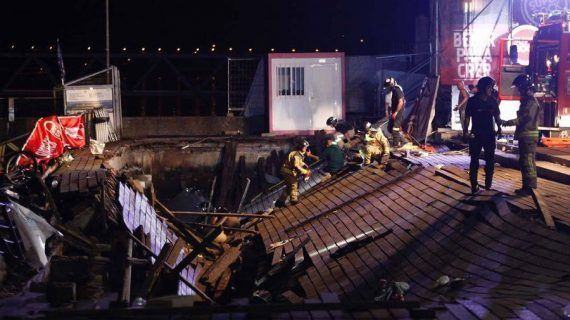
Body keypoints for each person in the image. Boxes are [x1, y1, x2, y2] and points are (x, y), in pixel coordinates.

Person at [501, 74, 540, 195]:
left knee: (527, 161)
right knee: (524, 161)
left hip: (528, 137)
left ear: (524, 87)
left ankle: (530, 187)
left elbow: (525, 117)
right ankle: (527, 186)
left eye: (519, 88)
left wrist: (509, 122)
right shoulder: (527, 101)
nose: (518, 91)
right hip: (525, 136)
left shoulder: (530, 101)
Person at [463, 76, 502, 194]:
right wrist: (465, 131)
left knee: (490, 160)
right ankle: (474, 186)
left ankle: (488, 186)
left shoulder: (492, 101)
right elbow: (467, 118)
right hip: (476, 135)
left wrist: (500, 128)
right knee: (474, 160)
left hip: (489, 135)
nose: (491, 89)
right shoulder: (472, 101)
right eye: (489, 87)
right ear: (483, 88)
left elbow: (497, 117)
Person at [275, 138, 311, 207]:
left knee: (289, 187)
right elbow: (296, 165)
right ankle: (294, 200)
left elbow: (298, 162)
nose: (306, 149)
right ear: (301, 147)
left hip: (286, 171)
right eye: (305, 147)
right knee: (294, 184)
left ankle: (280, 202)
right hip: (288, 172)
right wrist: (305, 172)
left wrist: (303, 164)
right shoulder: (297, 155)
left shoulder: (297, 153)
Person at [384, 77, 406, 148]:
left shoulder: (397, 90)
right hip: (394, 112)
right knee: (390, 128)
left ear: (392, 84)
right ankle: (402, 140)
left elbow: (401, 102)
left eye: (388, 86)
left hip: (398, 113)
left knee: (395, 129)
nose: (388, 88)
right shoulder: (393, 91)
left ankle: (396, 145)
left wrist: (396, 112)